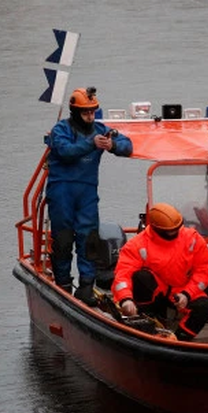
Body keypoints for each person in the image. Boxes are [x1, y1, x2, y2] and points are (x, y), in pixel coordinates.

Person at [46, 86, 133, 306]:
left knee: (89, 240)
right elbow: (65, 152)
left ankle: (86, 287)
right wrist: (90, 144)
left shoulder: (101, 130)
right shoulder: (61, 130)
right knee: (63, 241)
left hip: (87, 193)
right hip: (62, 192)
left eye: (93, 112)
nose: (90, 116)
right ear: (75, 112)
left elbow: (127, 145)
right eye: (86, 112)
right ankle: (63, 284)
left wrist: (112, 145)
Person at [111, 203, 208, 341]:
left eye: (177, 229)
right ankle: (147, 324)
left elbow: (203, 271)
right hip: (156, 290)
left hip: (181, 290)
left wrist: (187, 294)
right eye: (170, 231)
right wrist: (126, 299)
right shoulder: (137, 244)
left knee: (205, 307)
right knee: (141, 277)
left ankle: (180, 340)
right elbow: (123, 274)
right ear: (156, 228)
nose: (175, 233)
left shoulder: (193, 239)